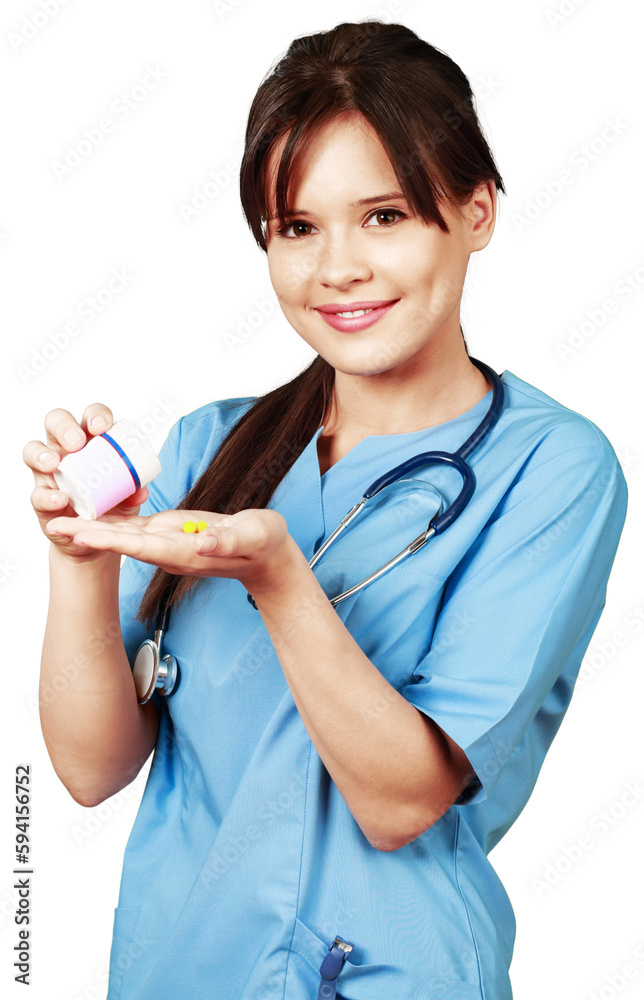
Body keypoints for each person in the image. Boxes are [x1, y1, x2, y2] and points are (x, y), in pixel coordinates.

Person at [24, 20, 627, 1000]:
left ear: (474, 211)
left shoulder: (551, 467)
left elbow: (400, 799)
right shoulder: (213, 447)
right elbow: (92, 770)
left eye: (381, 215)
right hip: (179, 972)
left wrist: (279, 577)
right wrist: (79, 559)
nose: (333, 267)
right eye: (296, 226)